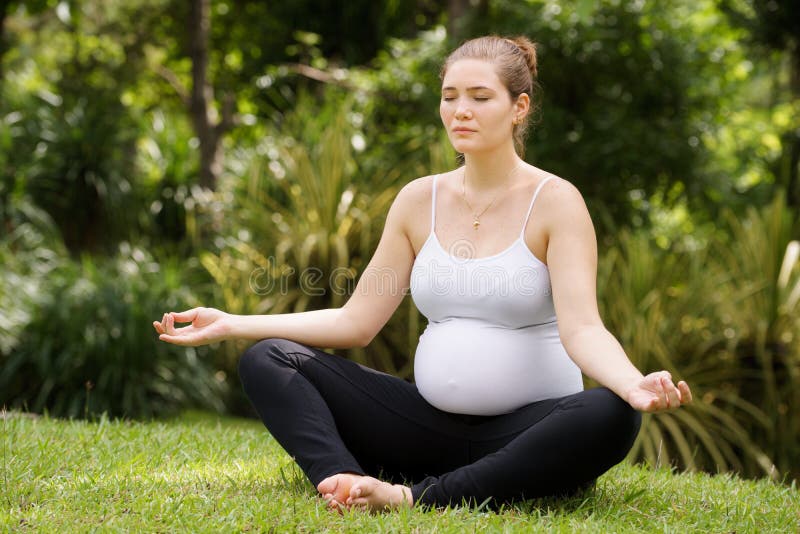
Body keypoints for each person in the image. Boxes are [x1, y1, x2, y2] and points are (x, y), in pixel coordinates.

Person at [153, 35, 693, 512]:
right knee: (269, 359)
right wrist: (233, 323)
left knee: (611, 413)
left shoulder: (556, 202)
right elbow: (357, 320)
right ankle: (343, 484)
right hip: (424, 428)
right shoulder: (418, 200)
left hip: (526, 435)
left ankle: (412, 497)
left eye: (480, 98)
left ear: (518, 107)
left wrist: (630, 383)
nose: (461, 110)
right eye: (450, 97)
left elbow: (583, 329)